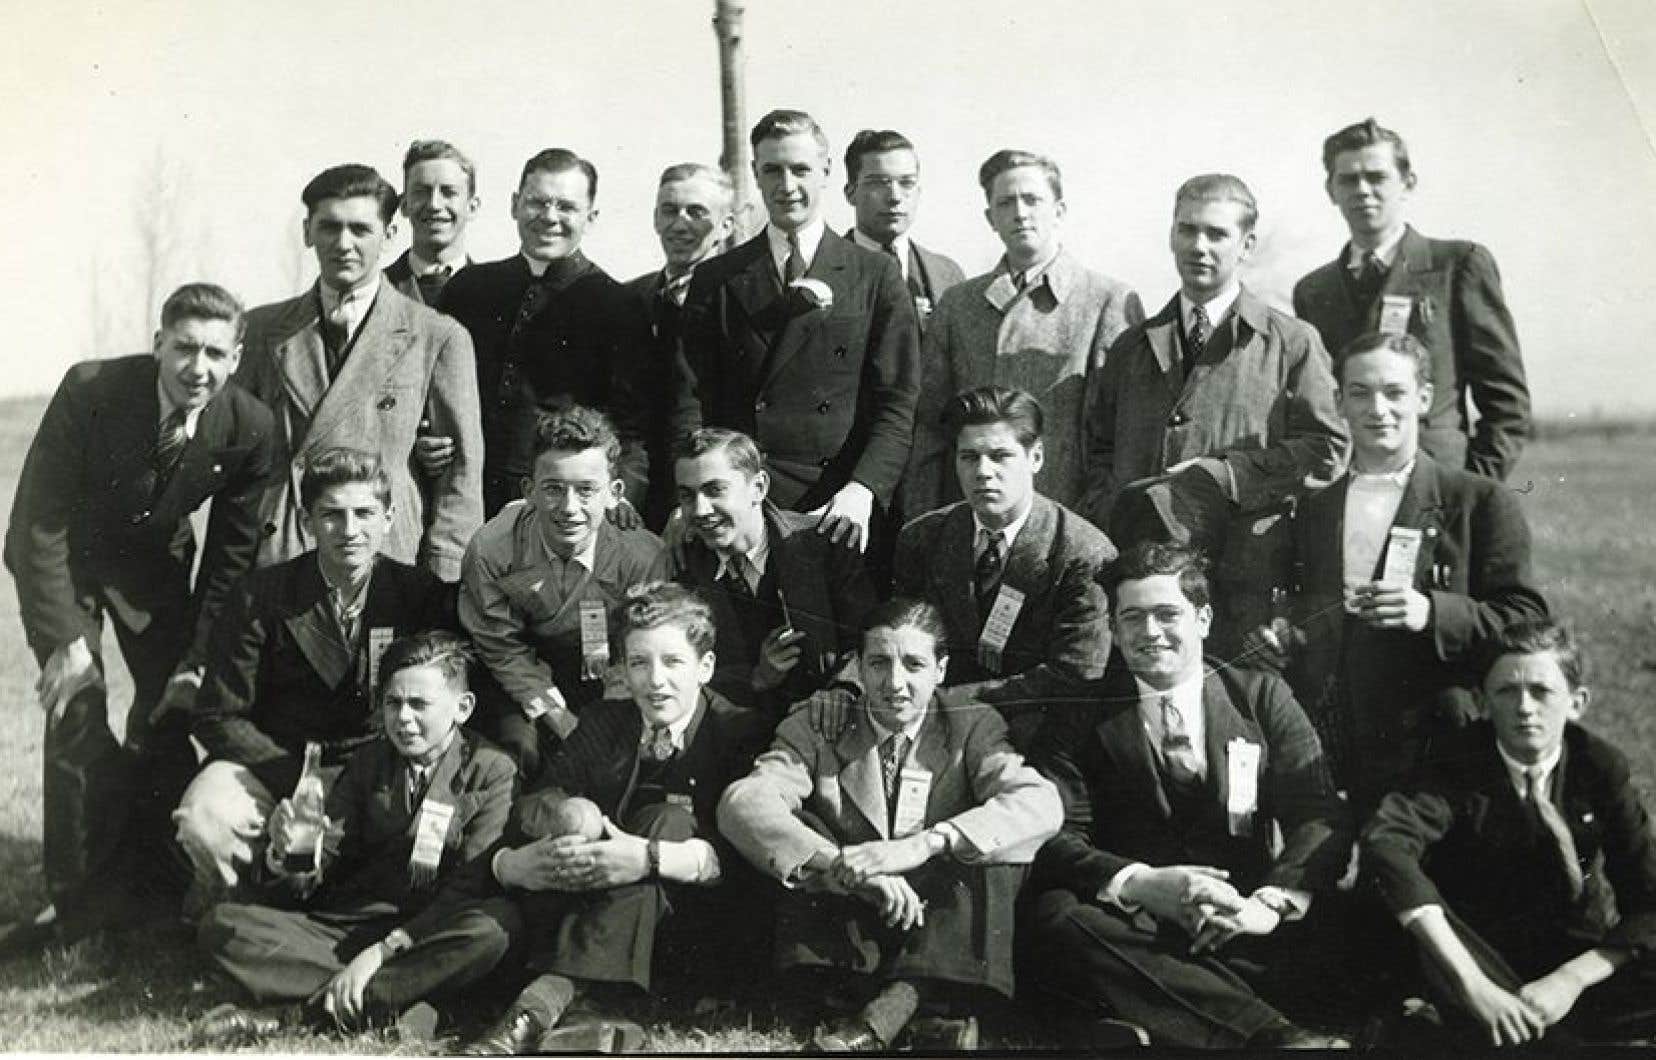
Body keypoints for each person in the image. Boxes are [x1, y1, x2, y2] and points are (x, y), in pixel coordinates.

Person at [2, 282, 277, 950]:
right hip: (70, 552)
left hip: (154, 565)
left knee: (171, 707)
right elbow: (36, 523)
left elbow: (233, 561)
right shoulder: (92, 389)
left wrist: (200, 654)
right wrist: (64, 639)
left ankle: (152, 887)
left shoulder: (248, 426)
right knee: (76, 704)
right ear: (158, 344)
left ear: (237, 357)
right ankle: (77, 913)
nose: (197, 368)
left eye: (215, 352)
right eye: (184, 348)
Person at [1027, 543, 1354, 1049]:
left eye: (1166, 614)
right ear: (1113, 630)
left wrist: (1267, 904)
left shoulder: (1263, 695)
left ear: (1202, 619)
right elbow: (1058, 835)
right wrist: (1141, 883)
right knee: (1059, 916)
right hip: (1136, 922)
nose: (1150, 632)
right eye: (1132, 618)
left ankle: (1176, 1017)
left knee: (1350, 922)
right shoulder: (1079, 714)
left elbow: (1318, 814)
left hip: (1240, 914)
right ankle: (1274, 1037)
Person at [718, 598, 1062, 1052]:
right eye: (879, 663)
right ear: (857, 668)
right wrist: (843, 864)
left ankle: (885, 1016)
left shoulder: (972, 725)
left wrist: (926, 844)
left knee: (993, 841)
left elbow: (1039, 803)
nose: (895, 683)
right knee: (796, 828)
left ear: (941, 670)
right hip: (856, 908)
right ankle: (926, 1016)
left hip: (938, 918)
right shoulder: (818, 722)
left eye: (914, 664)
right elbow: (743, 801)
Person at [458, 582, 768, 1055]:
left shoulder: (736, 730)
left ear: (705, 667)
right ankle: (588, 1012)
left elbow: (743, 857)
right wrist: (568, 813)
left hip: (689, 925)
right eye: (639, 663)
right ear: (622, 667)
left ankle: (538, 1006)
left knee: (667, 819)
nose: (655, 681)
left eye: (673, 663)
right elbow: (535, 802)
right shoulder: (607, 720)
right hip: (593, 907)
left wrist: (648, 857)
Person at [1246, 332, 1547, 813]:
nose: (1377, 408)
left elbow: (1527, 621)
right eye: (1360, 393)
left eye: (1394, 392)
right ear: (1339, 402)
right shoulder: (1315, 509)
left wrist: (1432, 612)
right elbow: (1309, 610)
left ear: (1424, 399)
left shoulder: (1479, 502)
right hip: (1337, 739)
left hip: (1439, 739)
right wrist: (1288, 632)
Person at [190, 632, 519, 1045]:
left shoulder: (493, 770)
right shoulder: (369, 761)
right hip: (352, 930)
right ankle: (406, 999)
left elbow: (469, 888)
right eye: (393, 703)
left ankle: (299, 1017)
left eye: (419, 705)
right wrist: (287, 853)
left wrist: (382, 953)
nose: (403, 718)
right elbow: (320, 867)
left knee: (494, 929)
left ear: (462, 707)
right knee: (224, 927)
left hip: (433, 931)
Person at [1361, 620, 1656, 1047]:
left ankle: (1538, 1037)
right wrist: (1474, 987)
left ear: (1577, 702)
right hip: (1481, 957)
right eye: (1506, 691)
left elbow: (1648, 896)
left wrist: (1570, 980)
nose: (1524, 707)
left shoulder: (1600, 767)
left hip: (1573, 956)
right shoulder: (1454, 761)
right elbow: (1386, 844)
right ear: (1482, 702)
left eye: (1541, 691)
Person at [176, 449, 456, 894]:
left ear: (388, 518)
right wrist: (298, 779)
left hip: (379, 768)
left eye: (364, 513)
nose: (350, 531)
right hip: (277, 762)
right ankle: (237, 913)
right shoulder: (258, 595)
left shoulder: (417, 592)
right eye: (332, 515)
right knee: (206, 816)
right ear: (307, 522)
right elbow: (218, 715)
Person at [671, 108, 920, 561]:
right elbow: (691, 398)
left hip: (838, 509)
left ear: (825, 172)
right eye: (773, 170)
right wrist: (694, 494)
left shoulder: (875, 274)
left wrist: (863, 490)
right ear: (755, 175)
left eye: (801, 169)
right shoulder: (718, 278)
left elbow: (897, 403)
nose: (787, 186)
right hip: (740, 506)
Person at [237, 163, 483, 582]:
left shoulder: (436, 336)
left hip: (387, 557)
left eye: (360, 229)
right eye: (329, 227)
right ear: (307, 232)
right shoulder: (263, 330)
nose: (343, 244)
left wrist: (443, 580)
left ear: (389, 235)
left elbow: (461, 478)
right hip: (283, 553)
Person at [1081, 173, 1345, 549]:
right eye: (1187, 230)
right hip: (1146, 567)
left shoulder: (1293, 343)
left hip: (1244, 561)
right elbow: (1099, 451)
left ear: (1247, 245)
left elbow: (1326, 449)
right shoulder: (1131, 347)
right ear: (1172, 236)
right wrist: (1114, 513)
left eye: (1217, 234)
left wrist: (1229, 475)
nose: (1198, 246)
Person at [904, 149, 1141, 517]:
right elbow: (930, 430)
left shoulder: (1107, 301)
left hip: (1066, 518)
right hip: (971, 517)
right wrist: (925, 519)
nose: (1020, 212)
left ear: (1059, 210)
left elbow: (1114, 438)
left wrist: (1095, 520)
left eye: (1032, 199)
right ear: (991, 218)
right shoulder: (959, 304)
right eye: (1006, 202)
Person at [1294, 117, 1530, 482]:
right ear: (1331, 190)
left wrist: (1472, 488)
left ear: (1407, 183)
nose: (1363, 190)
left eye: (1377, 177)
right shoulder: (1313, 291)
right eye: (1349, 179)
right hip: (1347, 489)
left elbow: (1507, 405)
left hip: (1438, 483)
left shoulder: (1458, 266)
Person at [892, 386, 1115, 748]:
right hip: (931, 731)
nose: (983, 472)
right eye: (969, 457)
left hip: (1040, 737)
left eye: (1000, 456)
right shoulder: (923, 538)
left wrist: (962, 703)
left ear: (1036, 457)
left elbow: (1076, 673)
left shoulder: (1084, 552)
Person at [441, 149, 651, 518]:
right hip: (466, 492)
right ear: (514, 205)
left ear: (592, 216)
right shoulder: (469, 289)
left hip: (564, 503)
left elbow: (632, 426)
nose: (550, 218)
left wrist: (621, 499)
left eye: (566, 207)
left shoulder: (618, 304)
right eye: (537, 202)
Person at [460, 406, 666, 780]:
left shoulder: (642, 555)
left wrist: (604, 720)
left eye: (586, 490)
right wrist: (560, 718)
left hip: (608, 672)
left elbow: (643, 647)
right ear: (529, 491)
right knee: (517, 751)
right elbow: (501, 649)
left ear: (614, 493)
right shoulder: (492, 549)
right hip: (519, 668)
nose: (569, 509)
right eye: (553, 489)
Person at [672, 427, 875, 718]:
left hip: (828, 726)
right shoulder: (684, 565)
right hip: (730, 733)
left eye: (715, 490)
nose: (701, 510)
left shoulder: (823, 545)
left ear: (759, 487)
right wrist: (757, 677)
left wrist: (843, 692)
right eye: (687, 496)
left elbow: (868, 641)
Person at [625, 164, 737, 530]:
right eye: (670, 211)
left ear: (726, 225)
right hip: (633, 501)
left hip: (711, 503)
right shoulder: (630, 300)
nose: (680, 224)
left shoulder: (742, 302)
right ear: (655, 218)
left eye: (697, 212)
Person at [840, 128, 965, 335]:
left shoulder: (949, 275)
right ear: (851, 193)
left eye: (906, 183)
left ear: (918, 192)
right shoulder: (820, 267)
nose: (895, 196)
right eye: (878, 183)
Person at [384, 139, 479, 310]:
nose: (434, 204)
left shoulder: (496, 292)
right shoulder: (375, 291)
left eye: (449, 192)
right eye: (421, 192)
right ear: (404, 205)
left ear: (472, 207)